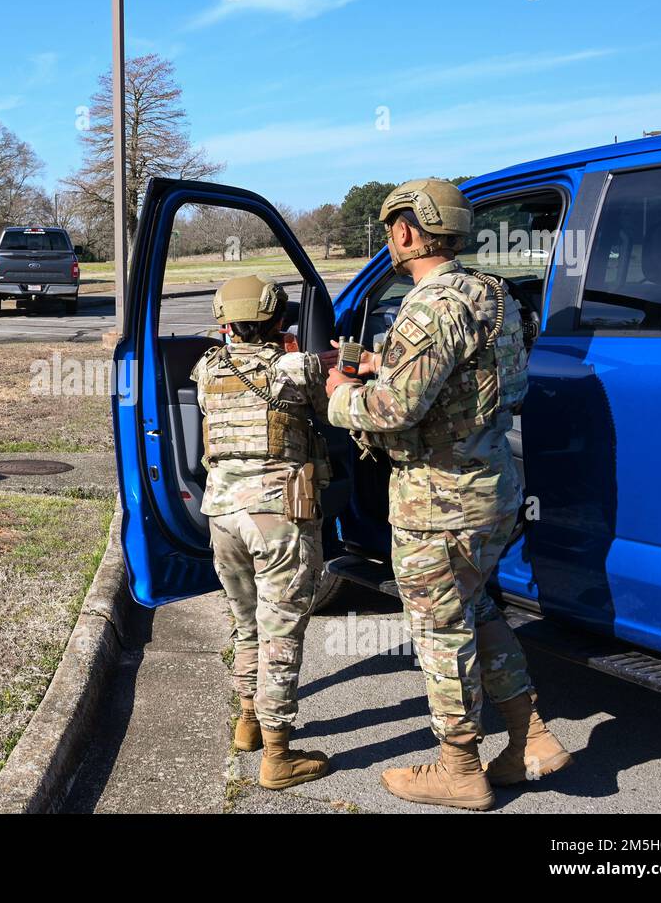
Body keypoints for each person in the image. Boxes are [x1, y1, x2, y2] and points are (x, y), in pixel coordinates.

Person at [324, 178, 571, 811]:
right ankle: (532, 740)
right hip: (493, 490)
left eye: (390, 230)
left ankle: (461, 772)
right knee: (480, 612)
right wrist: (387, 363)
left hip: (438, 502)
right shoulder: (492, 294)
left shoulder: (428, 305)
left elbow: (391, 410)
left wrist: (340, 394)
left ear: (406, 230)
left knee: (440, 634)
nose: (390, 241)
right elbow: (494, 385)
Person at [190, 274, 332, 789]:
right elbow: (332, 409)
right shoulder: (295, 368)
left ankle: (247, 723)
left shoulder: (206, 369)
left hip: (222, 515)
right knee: (281, 634)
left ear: (224, 321)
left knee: (246, 624)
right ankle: (278, 755)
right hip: (280, 516)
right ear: (279, 320)